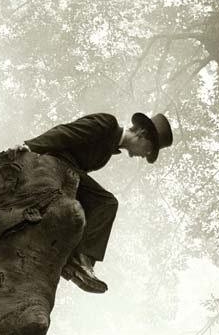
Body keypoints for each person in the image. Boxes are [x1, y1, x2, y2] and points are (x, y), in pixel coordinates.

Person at [20, 112, 173, 294]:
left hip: (66, 175)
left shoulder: (107, 153)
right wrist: (29, 147)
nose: (143, 155)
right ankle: (79, 261)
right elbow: (65, 132)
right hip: (53, 164)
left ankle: (71, 259)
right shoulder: (107, 124)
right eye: (148, 150)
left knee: (89, 209)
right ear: (142, 133)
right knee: (107, 203)